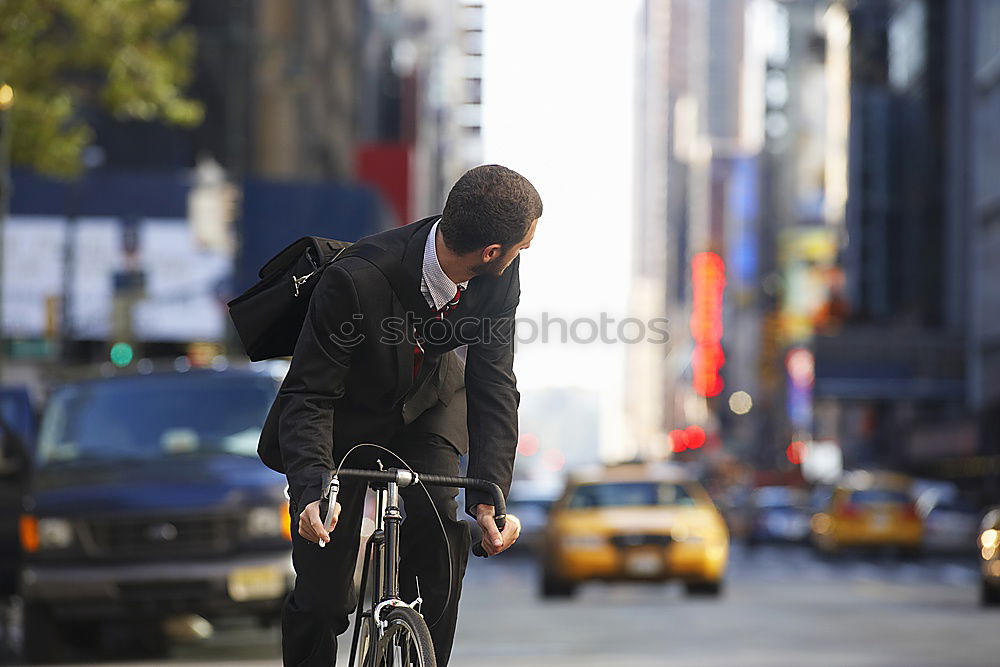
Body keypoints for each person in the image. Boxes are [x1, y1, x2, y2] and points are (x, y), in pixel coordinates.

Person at [257, 164, 541, 666]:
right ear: (490, 252)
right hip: (343, 419)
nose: (525, 253)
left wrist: (489, 495)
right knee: (323, 599)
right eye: (521, 245)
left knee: (439, 549)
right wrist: (309, 490)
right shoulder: (354, 279)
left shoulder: (501, 278)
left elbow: (494, 382)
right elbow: (310, 392)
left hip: (430, 407)